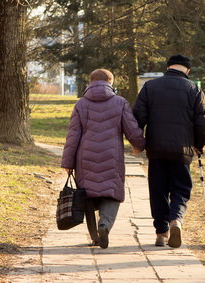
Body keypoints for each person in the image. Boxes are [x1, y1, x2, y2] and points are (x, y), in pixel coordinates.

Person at [132, 55, 205, 248]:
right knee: (181, 188)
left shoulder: (150, 87)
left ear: (167, 67)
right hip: (182, 150)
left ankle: (161, 233)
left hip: (156, 148)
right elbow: (203, 122)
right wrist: (199, 145)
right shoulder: (194, 89)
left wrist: (138, 142)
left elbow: (137, 118)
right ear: (188, 70)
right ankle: (176, 220)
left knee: (158, 190)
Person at [61, 69, 145, 249]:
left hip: (85, 158)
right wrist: (140, 144)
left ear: (90, 82)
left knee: (88, 196)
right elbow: (131, 128)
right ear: (111, 82)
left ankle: (95, 237)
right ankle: (104, 225)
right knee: (112, 194)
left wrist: (68, 162)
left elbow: (73, 136)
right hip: (111, 156)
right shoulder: (120, 102)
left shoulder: (81, 104)